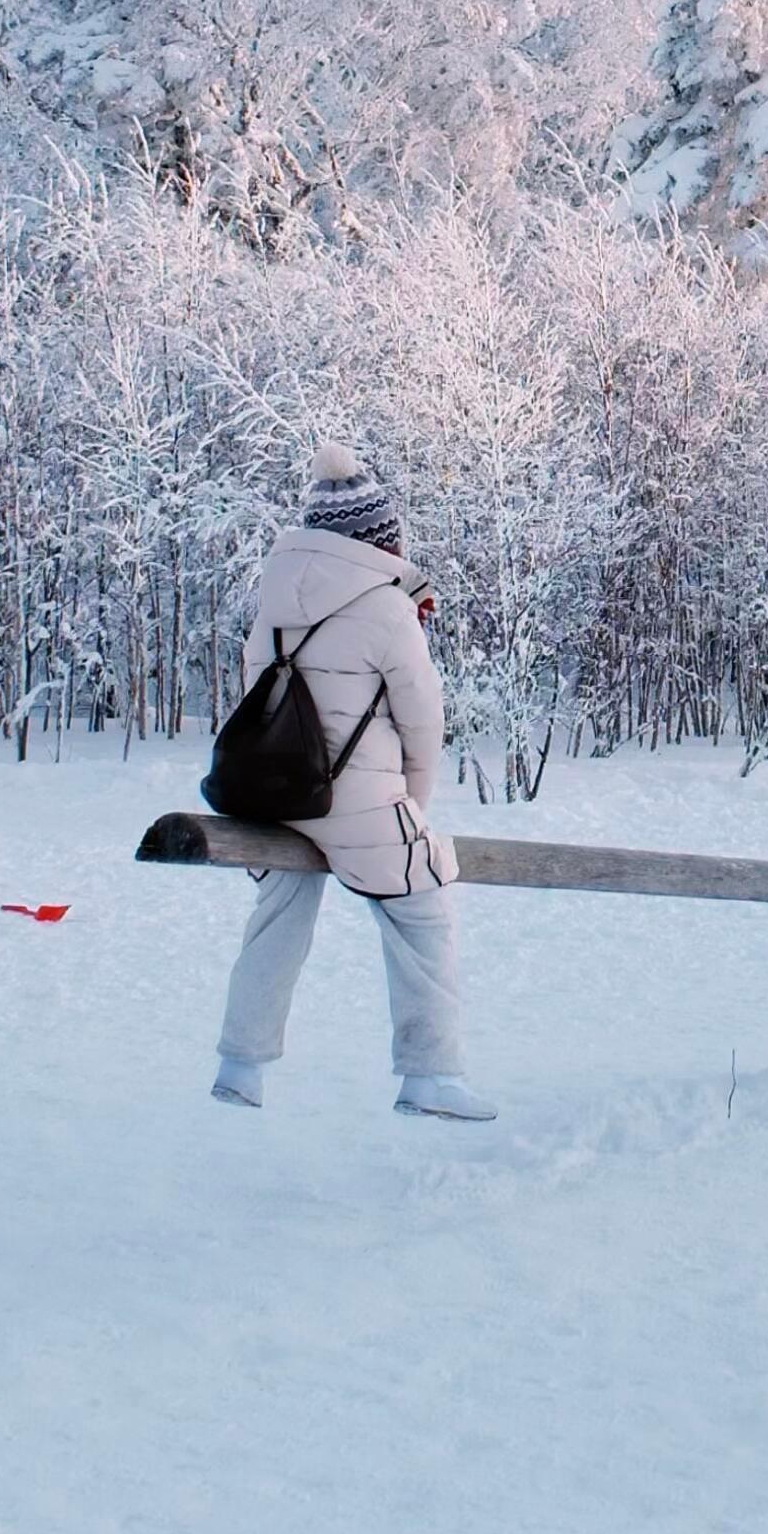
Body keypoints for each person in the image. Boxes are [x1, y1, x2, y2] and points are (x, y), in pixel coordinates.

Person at [211, 445, 495, 1121]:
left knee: (278, 918)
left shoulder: (273, 601)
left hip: (273, 798)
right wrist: (409, 812)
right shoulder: (386, 610)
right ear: (373, 540)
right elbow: (423, 723)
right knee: (422, 917)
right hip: (356, 802)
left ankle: (240, 1068)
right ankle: (429, 1077)